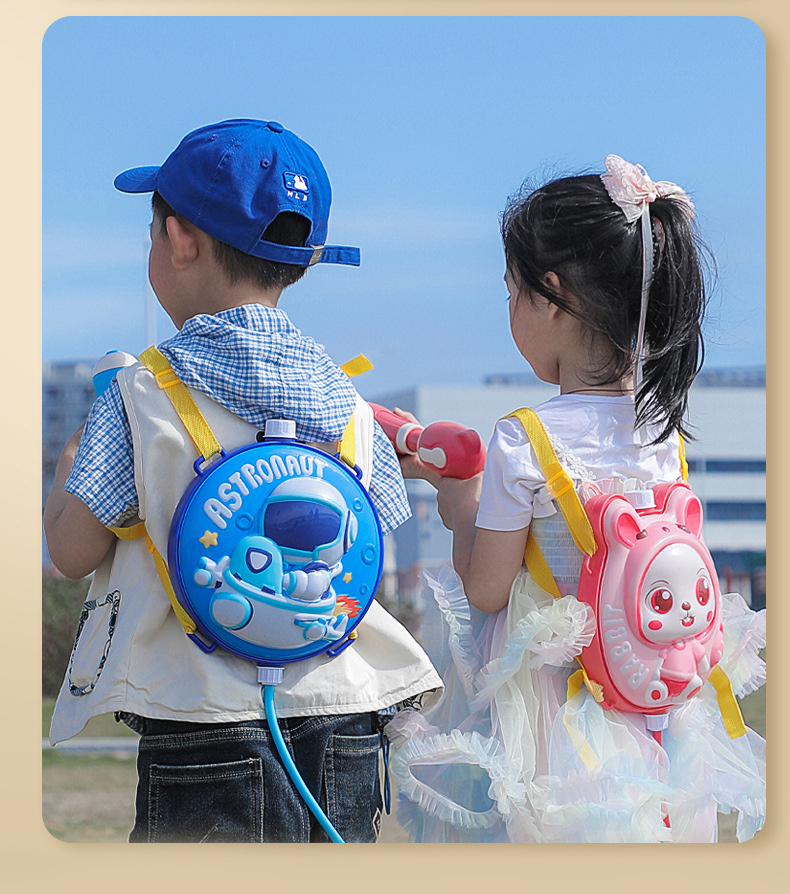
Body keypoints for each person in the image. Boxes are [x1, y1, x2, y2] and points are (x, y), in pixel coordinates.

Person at [44, 118, 442, 843]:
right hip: (344, 712)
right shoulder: (350, 405)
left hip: (200, 721)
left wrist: (75, 452)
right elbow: (375, 529)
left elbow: (70, 553)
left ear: (180, 240)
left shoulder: (138, 396)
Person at [385, 155, 766, 843]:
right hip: (660, 714)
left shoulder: (524, 440)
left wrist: (462, 500)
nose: (510, 311)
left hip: (560, 723)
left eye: (513, 292)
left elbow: (488, 590)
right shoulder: (662, 433)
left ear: (553, 297)